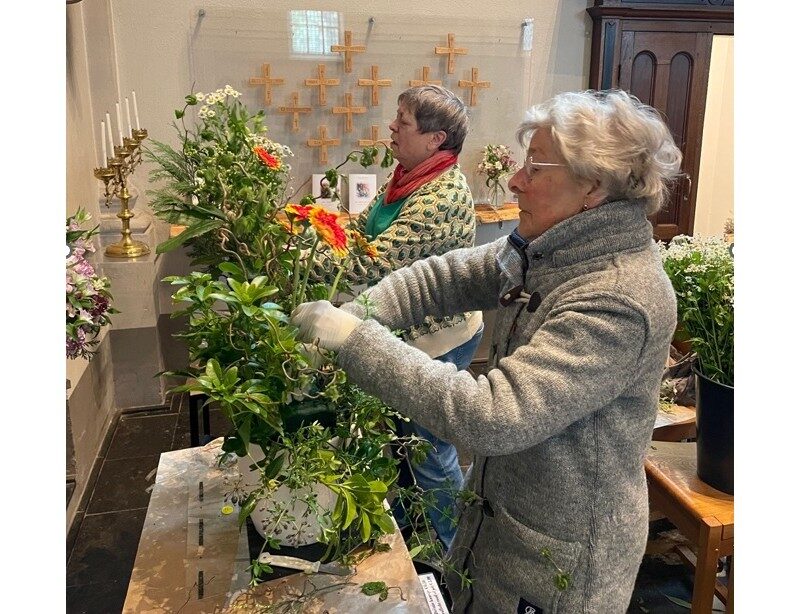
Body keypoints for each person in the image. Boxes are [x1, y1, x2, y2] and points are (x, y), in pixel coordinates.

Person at [292, 89, 682, 612]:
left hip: (555, 566)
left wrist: (353, 340)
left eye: (535, 168)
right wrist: (365, 311)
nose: (516, 180)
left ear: (591, 186)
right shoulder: (554, 244)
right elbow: (445, 276)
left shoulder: (617, 296)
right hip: (502, 530)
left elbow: (492, 416)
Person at [315, 84, 483, 550]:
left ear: (435, 139)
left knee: (428, 448)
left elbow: (372, 261)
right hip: (404, 332)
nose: (391, 127)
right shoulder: (404, 177)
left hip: (439, 337)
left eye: (403, 121)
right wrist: (325, 231)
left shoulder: (441, 196)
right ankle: (418, 530)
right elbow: (359, 228)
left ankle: (452, 552)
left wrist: (303, 252)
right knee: (406, 440)